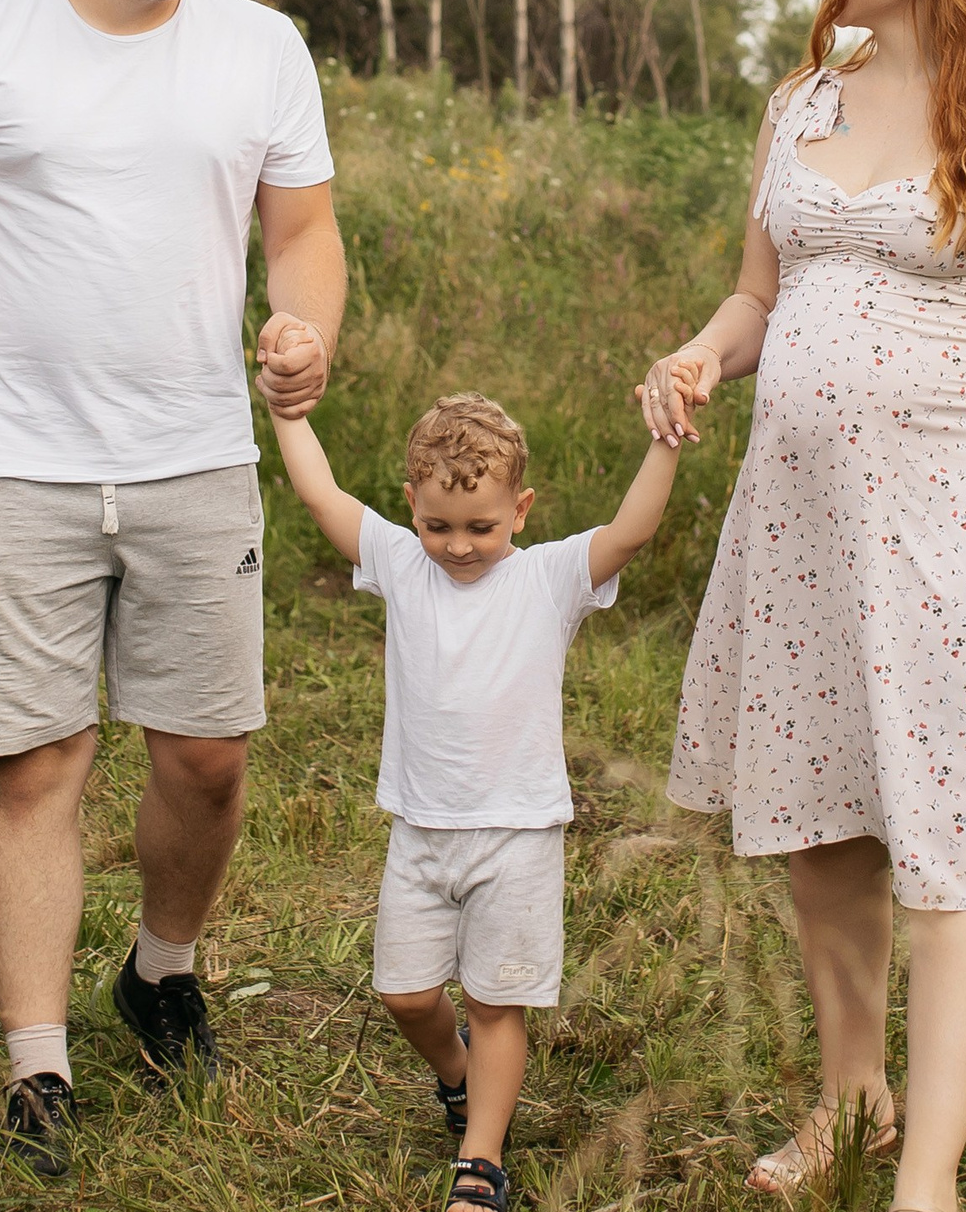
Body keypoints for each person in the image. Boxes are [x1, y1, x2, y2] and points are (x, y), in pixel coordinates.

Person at [0, 0, 348, 1179]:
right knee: (37, 764)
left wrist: (307, 326)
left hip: (196, 455)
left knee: (206, 758)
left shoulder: (261, 49)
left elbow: (305, 232)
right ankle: (37, 1065)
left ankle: (160, 969)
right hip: (14, 463)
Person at [643, 0, 966, 1211]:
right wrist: (695, 357)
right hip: (799, 525)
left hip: (958, 521)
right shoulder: (801, 106)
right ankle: (852, 1100)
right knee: (826, 814)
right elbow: (754, 298)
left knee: (952, 828)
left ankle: (929, 1177)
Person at [265, 385, 687, 1212]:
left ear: (520, 510)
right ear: (412, 507)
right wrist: (289, 418)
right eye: (438, 526)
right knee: (405, 994)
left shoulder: (548, 579)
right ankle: (457, 1077)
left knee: (498, 1002)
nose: (458, 546)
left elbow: (632, 529)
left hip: (517, 835)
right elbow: (321, 495)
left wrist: (666, 439)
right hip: (420, 831)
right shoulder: (398, 563)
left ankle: (481, 1162)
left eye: (481, 527)